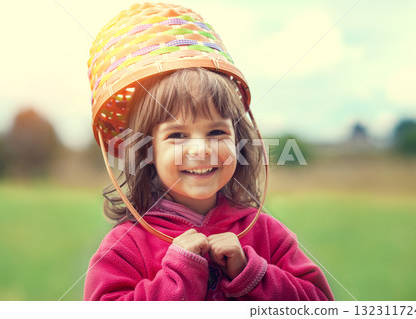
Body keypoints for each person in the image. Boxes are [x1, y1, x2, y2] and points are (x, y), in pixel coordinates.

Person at [83, 3, 334, 301]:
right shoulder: (125, 246)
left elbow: (319, 302)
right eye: (177, 135)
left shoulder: (266, 233)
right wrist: (177, 276)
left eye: (217, 132)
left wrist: (251, 274)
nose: (201, 150)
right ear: (146, 151)